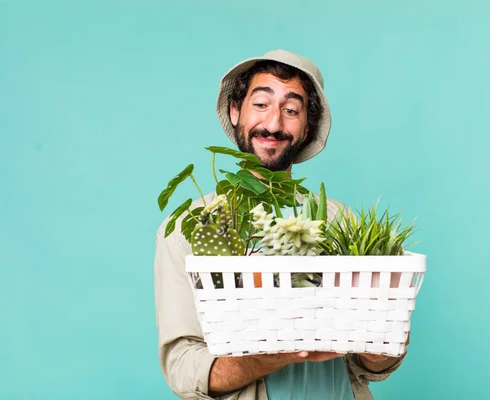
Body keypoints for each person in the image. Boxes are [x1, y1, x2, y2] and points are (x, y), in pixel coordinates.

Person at [154, 49, 407, 400]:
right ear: (234, 111)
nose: (273, 124)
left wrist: (381, 346)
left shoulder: (340, 221)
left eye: (291, 110)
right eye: (260, 104)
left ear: (306, 128)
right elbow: (182, 366)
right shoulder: (192, 226)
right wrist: (262, 359)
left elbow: (370, 366)